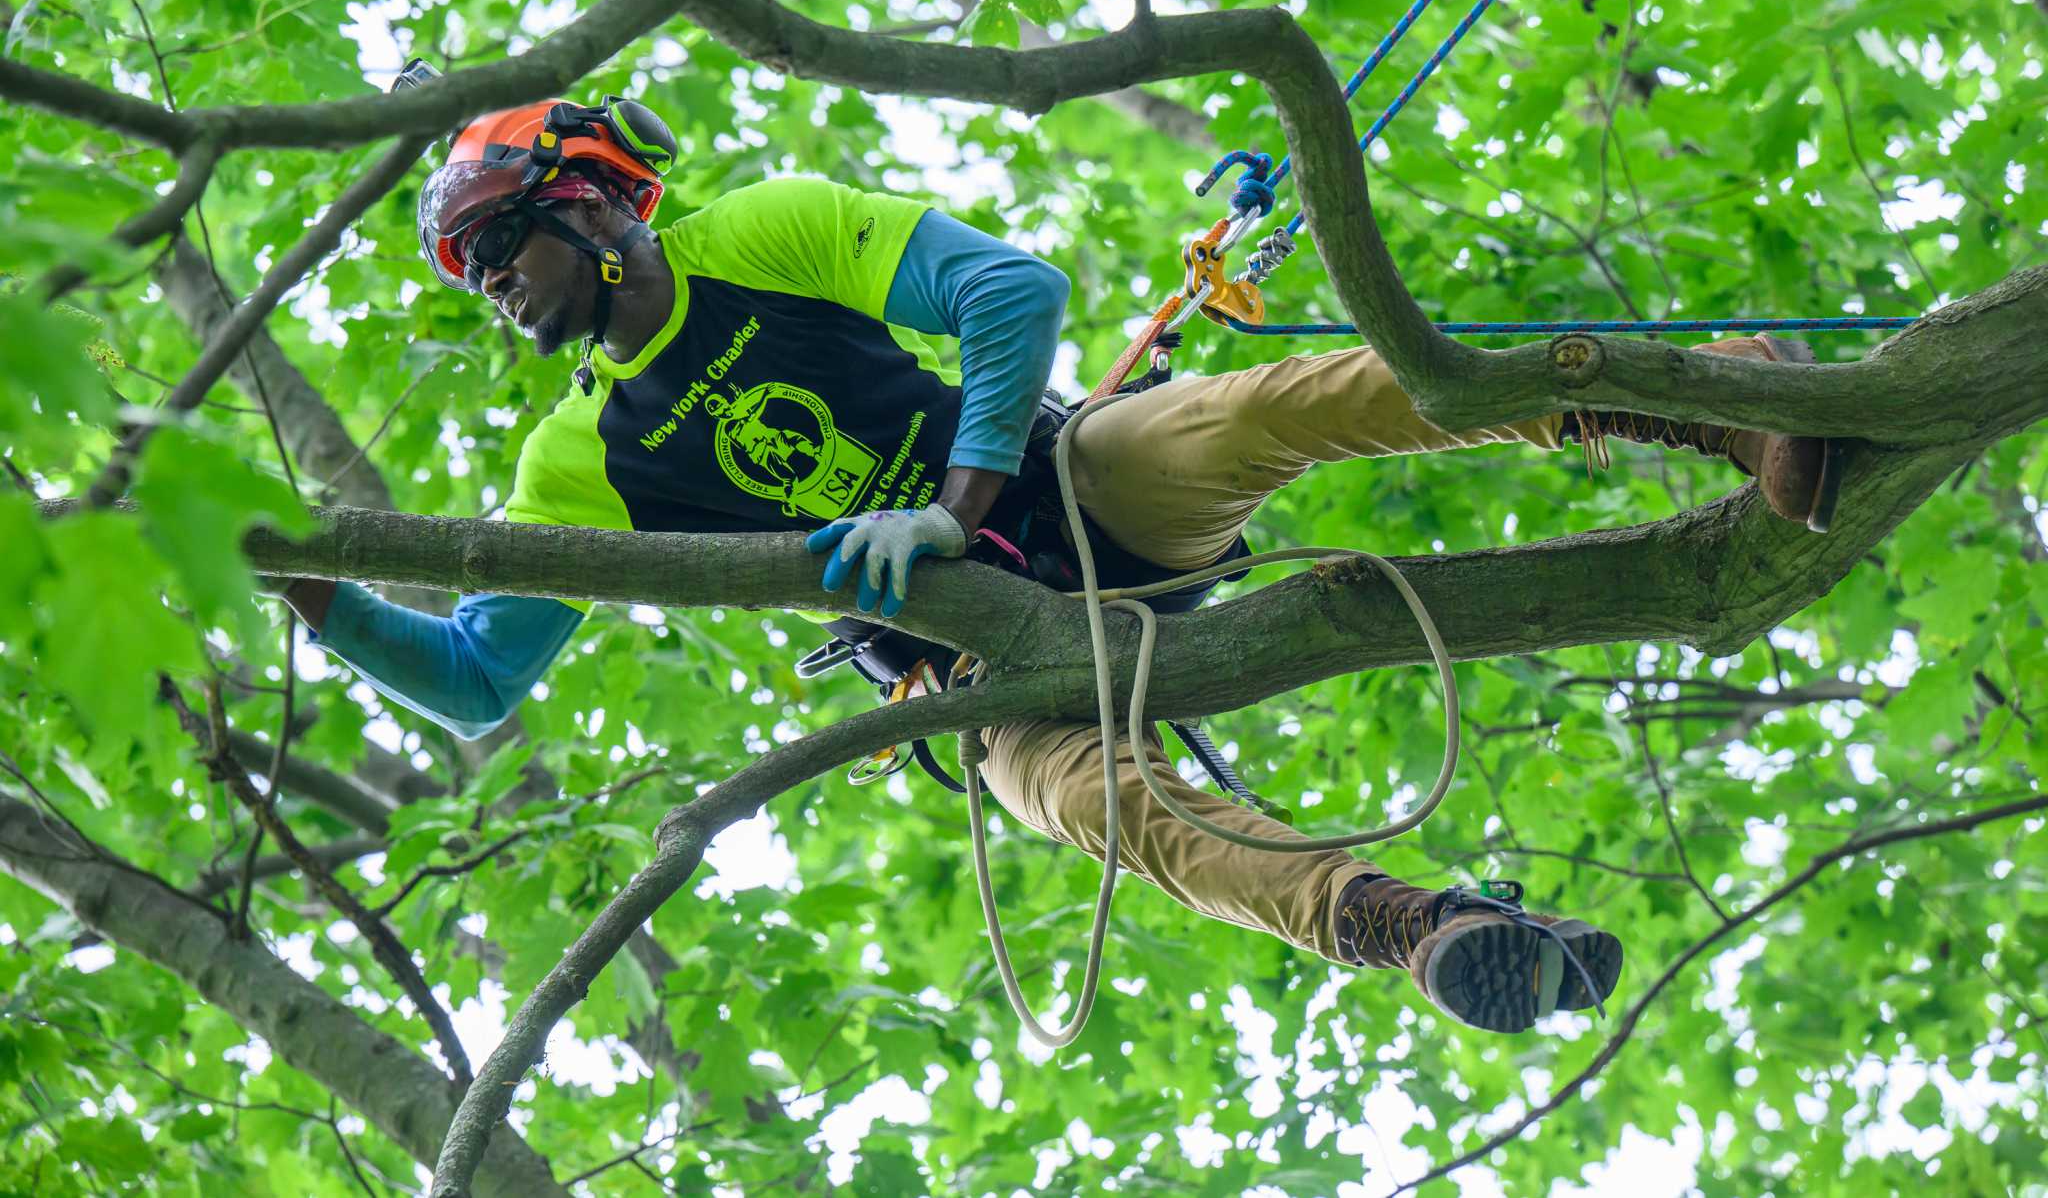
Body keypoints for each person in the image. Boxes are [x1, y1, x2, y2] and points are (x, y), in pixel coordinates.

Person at [276, 90, 1842, 1035]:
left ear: (594, 206)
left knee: (1268, 408)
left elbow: (1009, 290)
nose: (495, 290)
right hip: (973, 667)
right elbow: (477, 677)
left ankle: (1700, 395)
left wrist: (951, 509)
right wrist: (309, 586)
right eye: (473, 274)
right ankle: (1424, 924)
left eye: (501, 250)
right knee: (1111, 812)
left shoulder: (764, 231)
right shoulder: (577, 463)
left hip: (1068, 490)